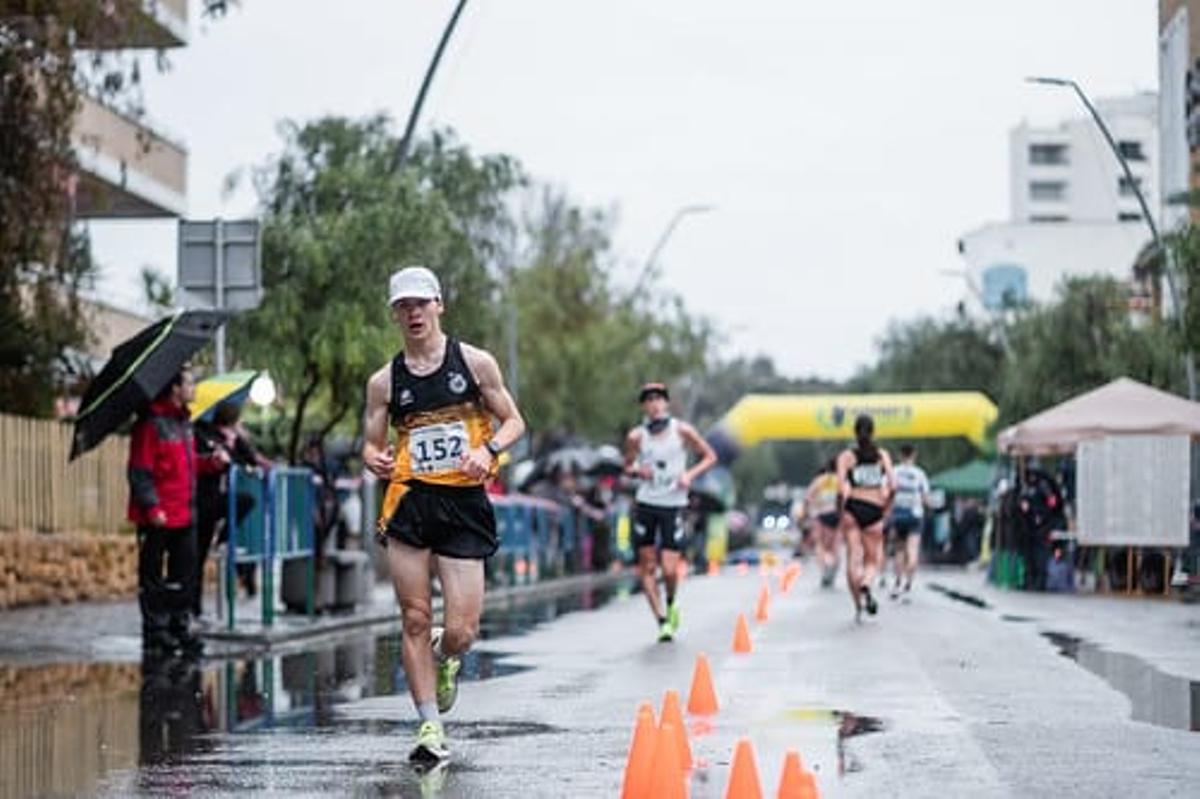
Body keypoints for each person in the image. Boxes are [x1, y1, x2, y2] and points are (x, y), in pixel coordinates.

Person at [362, 265, 525, 764]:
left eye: (420, 303)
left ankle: (447, 655)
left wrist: (488, 450)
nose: (413, 313)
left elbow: (514, 421)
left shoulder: (475, 364)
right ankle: (429, 725)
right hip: (410, 500)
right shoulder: (384, 382)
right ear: (394, 315)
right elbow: (370, 443)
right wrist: (372, 458)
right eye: (403, 306)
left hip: (463, 503)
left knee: (462, 630)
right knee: (414, 616)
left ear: (438, 305)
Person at [127, 367, 228, 655]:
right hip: (159, 516)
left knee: (184, 574)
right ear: (175, 388)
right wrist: (152, 507)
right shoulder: (151, 424)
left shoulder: (184, 424)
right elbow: (140, 470)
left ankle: (179, 626)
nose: (194, 388)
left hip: (184, 513)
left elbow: (186, 464)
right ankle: (156, 631)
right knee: (153, 576)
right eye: (190, 383)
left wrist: (211, 463)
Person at [623, 382, 717, 642]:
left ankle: (672, 602)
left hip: (673, 505)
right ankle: (662, 621)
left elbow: (710, 456)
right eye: (648, 400)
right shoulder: (636, 436)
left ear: (666, 403)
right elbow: (627, 465)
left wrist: (689, 475)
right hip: (646, 503)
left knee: (669, 569)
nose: (654, 404)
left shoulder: (682, 431)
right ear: (644, 406)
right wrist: (637, 471)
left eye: (658, 398)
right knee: (647, 566)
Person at [193, 401, 272, 617]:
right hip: (202, 499)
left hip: (216, 498)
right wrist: (224, 448)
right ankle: (193, 606)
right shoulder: (203, 433)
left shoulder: (230, 438)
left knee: (245, 501)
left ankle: (223, 539)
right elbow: (215, 461)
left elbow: (246, 460)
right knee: (197, 555)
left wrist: (237, 441)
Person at [836, 414, 894, 622]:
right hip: (874, 507)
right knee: (872, 559)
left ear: (855, 432)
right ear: (873, 432)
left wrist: (840, 512)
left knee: (853, 559)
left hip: (853, 507)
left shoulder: (846, 457)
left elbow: (840, 489)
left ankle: (858, 606)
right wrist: (887, 507)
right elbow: (893, 485)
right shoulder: (882, 455)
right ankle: (867, 583)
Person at [889, 443, 930, 598]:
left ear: (900, 455)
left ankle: (897, 582)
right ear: (914, 455)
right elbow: (925, 498)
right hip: (915, 515)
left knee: (899, 551)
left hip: (898, 515)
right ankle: (908, 582)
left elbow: (887, 492)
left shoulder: (894, 472)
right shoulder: (919, 474)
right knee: (912, 550)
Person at [805, 459, 842, 588]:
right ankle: (833, 564)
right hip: (837, 515)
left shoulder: (820, 480)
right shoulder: (840, 480)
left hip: (821, 514)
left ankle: (827, 564)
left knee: (820, 545)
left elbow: (808, 497)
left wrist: (810, 511)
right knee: (834, 546)